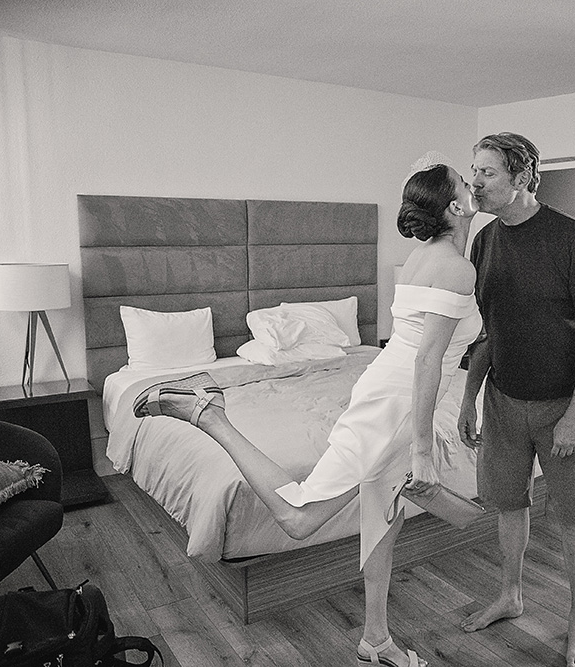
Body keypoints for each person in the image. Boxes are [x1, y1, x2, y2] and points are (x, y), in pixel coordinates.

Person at [133, 157, 480, 667]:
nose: (475, 188)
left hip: (392, 390)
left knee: (384, 516)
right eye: (467, 183)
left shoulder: (428, 258)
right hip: (398, 404)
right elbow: (429, 359)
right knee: (299, 519)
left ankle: (375, 638)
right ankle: (209, 414)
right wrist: (425, 446)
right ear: (454, 205)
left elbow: (424, 349)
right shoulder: (456, 267)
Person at [457, 133, 575, 667]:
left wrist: (574, 415)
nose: (474, 182)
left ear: (521, 178)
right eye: (473, 171)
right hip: (502, 399)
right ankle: (511, 594)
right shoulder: (484, 240)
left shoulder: (571, 238)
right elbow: (485, 331)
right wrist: (468, 396)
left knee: (572, 516)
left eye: (488, 173)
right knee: (508, 504)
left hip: (561, 403)